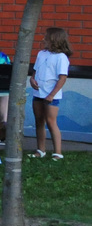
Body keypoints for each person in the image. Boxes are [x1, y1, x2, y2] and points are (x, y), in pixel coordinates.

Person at [30, 27, 72, 160]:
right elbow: (35, 71)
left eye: (46, 37)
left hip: (51, 95)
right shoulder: (41, 54)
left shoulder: (61, 57)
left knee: (51, 121)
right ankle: (40, 150)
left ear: (54, 40)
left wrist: (51, 95)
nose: (43, 39)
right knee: (39, 121)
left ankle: (58, 152)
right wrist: (32, 79)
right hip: (38, 93)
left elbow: (62, 78)